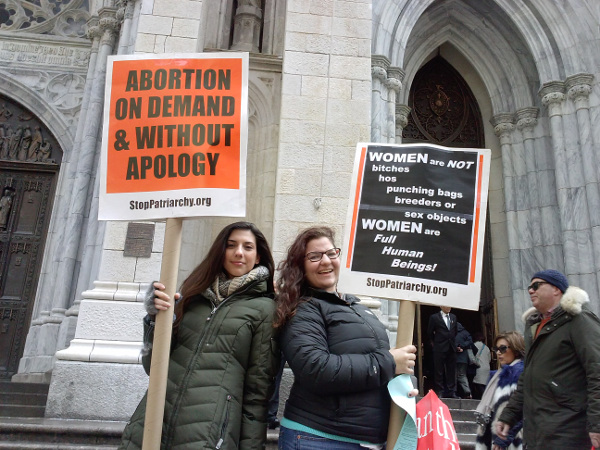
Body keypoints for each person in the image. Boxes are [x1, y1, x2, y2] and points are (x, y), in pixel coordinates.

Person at [119, 221, 280, 449]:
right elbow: (152, 366)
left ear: (258, 257)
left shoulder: (265, 309)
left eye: (248, 247)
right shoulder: (193, 294)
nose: (239, 253)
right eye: (231, 245)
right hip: (153, 422)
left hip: (208, 435)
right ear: (220, 251)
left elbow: (257, 395)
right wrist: (154, 319)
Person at [274, 226, 417, 448]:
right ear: (300, 266)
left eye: (332, 253)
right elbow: (316, 369)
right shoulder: (302, 309)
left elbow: (376, 369)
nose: (326, 261)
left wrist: (400, 385)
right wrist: (389, 362)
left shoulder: (359, 307)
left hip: (365, 441)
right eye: (314, 256)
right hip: (319, 438)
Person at [496, 269, 600, 449]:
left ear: (556, 290)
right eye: (529, 287)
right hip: (539, 430)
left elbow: (597, 370)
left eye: (536, 285)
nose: (530, 290)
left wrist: (597, 423)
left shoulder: (579, 320)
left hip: (569, 427)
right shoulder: (535, 326)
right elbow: (527, 378)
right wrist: (509, 415)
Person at [475, 331, 525, 450]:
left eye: (503, 348)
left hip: (511, 440)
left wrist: (505, 438)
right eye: (496, 349)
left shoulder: (520, 373)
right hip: (492, 438)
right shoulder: (497, 376)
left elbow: (524, 412)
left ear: (515, 348)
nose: (498, 353)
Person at [427, 306, 459, 398]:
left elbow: (455, 331)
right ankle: (439, 391)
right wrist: (436, 341)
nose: (449, 307)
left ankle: (451, 391)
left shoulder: (453, 317)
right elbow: (430, 332)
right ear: (441, 306)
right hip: (439, 347)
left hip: (451, 347)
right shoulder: (434, 317)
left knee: (451, 370)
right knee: (439, 370)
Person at [455, 322, 474, 399]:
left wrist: (456, 347)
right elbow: (470, 341)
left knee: (453, 376)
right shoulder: (465, 333)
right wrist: (462, 346)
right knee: (462, 375)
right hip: (464, 359)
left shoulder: (451, 333)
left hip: (454, 358)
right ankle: (467, 391)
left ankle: (453, 392)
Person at [470, 331, 491, 400]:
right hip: (486, 367)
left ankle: (484, 399)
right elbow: (489, 359)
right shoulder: (487, 348)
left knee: (478, 384)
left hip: (479, 367)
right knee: (484, 384)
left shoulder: (474, 345)